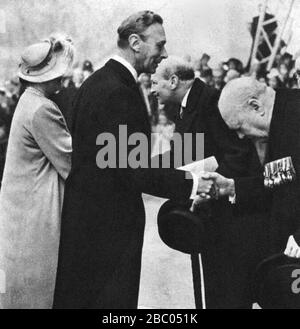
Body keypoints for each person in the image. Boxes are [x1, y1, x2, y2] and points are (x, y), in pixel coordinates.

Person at [53, 11, 214, 309]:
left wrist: (186, 156)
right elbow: (133, 168)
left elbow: (123, 158)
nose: (164, 54)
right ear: (135, 42)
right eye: (160, 45)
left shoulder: (100, 82)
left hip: (92, 224)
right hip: (109, 231)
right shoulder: (118, 92)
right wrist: (194, 183)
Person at [151, 57, 265, 309]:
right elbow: (185, 153)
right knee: (216, 290)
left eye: (155, 82)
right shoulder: (188, 104)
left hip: (231, 215)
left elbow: (237, 155)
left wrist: (210, 189)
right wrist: (144, 164)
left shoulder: (211, 101)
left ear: (173, 81)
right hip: (214, 215)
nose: (151, 89)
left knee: (227, 292)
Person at [0, 35, 74, 309]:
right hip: (35, 215)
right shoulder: (43, 109)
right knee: (37, 293)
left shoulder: (26, 101)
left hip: (20, 213)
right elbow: (70, 162)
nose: (61, 80)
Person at [206, 77, 300, 262]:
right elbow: (286, 173)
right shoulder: (283, 117)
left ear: (256, 106)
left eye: (239, 127)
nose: (240, 136)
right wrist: (233, 187)